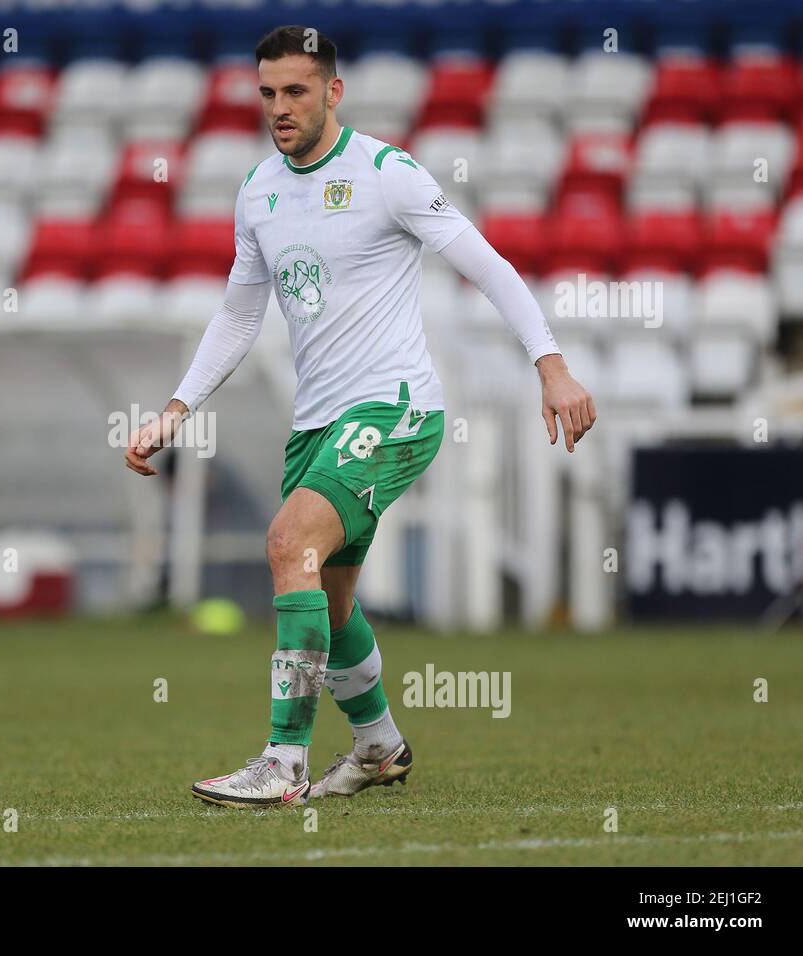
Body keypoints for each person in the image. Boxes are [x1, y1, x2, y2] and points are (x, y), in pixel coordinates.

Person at [125, 26, 596, 808]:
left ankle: (283, 758)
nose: (280, 108)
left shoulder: (386, 174)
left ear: (333, 92)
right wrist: (177, 408)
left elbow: (488, 265)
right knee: (330, 601)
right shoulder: (258, 190)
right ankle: (378, 746)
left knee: (286, 543)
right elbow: (240, 316)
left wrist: (552, 367)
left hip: (395, 407)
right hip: (317, 424)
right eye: (268, 92)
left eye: (297, 91)